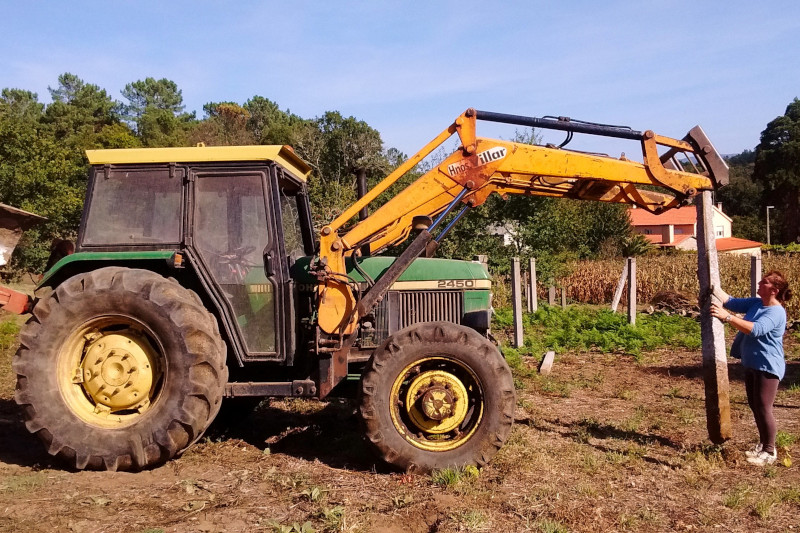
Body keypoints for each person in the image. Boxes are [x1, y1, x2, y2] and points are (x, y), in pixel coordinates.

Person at [710, 271, 793, 466]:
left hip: (768, 366)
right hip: (752, 363)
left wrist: (727, 318)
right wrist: (711, 283)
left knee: (764, 408)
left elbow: (755, 330)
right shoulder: (756, 303)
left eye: (763, 282)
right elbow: (729, 301)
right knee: (755, 406)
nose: (759, 283)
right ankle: (763, 445)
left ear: (774, 290)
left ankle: (770, 451)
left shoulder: (776, 312)